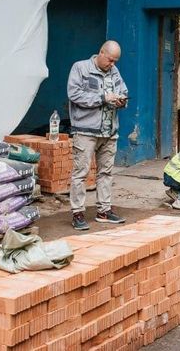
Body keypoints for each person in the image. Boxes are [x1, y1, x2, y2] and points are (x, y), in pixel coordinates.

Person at [66, 40, 129, 230]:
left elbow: (123, 91)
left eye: (115, 61)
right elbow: (74, 94)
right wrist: (103, 98)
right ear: (101, 53)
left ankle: (104, 210)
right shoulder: (81, 68)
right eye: (110, 60)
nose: (113, 64)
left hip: (109, 132)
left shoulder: (114, 72)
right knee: (81, 173)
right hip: (85, 131)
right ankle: (77, 213)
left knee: (106, 172)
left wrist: (121, 101)